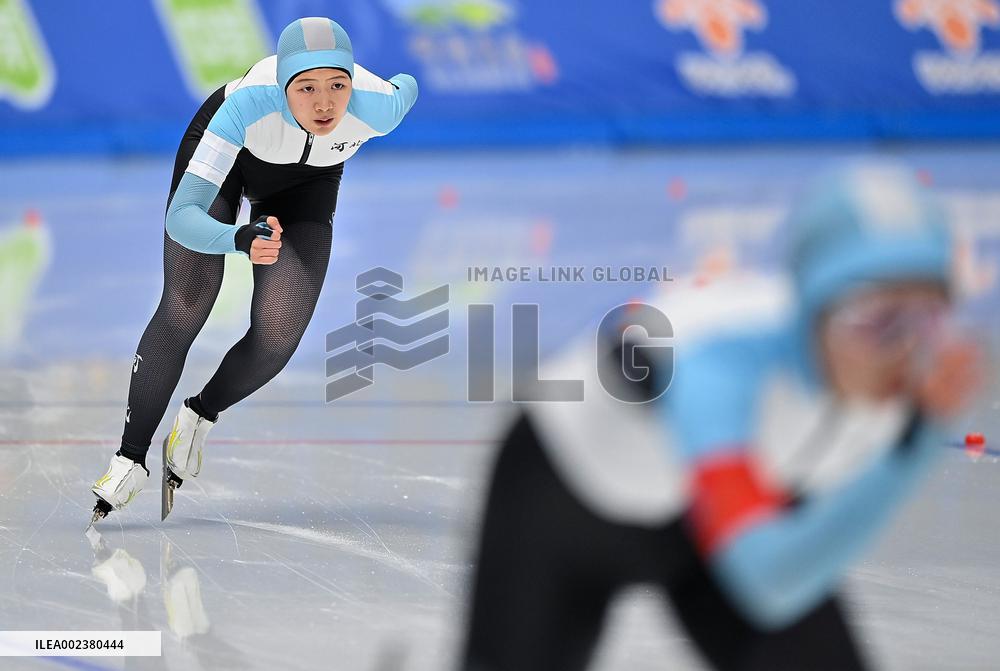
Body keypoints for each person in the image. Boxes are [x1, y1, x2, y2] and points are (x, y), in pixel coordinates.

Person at [460, 162, 982, 671]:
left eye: (927, 317)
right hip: (565, 500)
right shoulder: (722, 356)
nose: (904, 349)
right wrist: (915, 444)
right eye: (876, 321)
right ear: (814, 308)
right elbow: (768, 581)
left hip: (721, 511)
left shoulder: (885, 373)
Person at [90, 17, 418, 524]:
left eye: (337, 85)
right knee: (185, 306)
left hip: (306, 184)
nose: (325, 103)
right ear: (283, 85)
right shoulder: (245, 107)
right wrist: (237, 239)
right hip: (232, 161)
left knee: (278, 333)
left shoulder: (379, 108)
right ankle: (129, 458)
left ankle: (200, 414)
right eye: (305, 88)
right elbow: (183, 220)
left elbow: (407, 87)